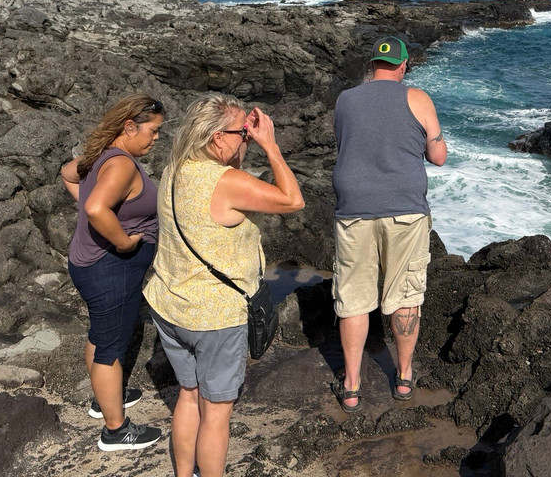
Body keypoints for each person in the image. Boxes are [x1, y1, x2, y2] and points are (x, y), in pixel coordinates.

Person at [144, 95, 304, 477]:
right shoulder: (227, 183)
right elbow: (293, 200)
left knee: (188, 394)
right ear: (217, 138)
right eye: (242, 133)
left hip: (169, 304)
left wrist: (242, 144)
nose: (246, 139)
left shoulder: (175, 168)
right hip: (214, 316)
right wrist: (271, 145)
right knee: (216, 413)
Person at [330, 36, 447, 413]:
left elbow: (346, 143)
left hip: (354, 208)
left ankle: (351, 384)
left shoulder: (346, 99)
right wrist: (435, 136)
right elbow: (438, 156)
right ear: (404, 65)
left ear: (372, 65)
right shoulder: (418, 98)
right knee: (405, 294)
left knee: (353, 297)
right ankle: (404, 375)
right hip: (404, 209)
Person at [60, 93, 166, 451]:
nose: (156, 139)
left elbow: (67, 174)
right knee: (110, 346)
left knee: (101, 332)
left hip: (89, 265)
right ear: (129, 126)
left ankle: (103, 399)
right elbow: (95, 206)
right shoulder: (121, 165)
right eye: (152, 131)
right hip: (109, 268)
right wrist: (121, 241)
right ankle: (115, 430)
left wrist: (107, 216)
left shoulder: (100, 156)